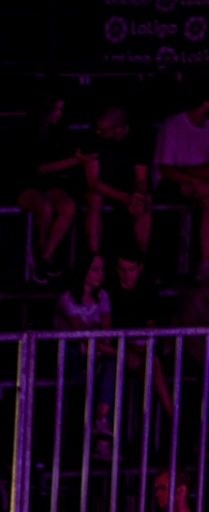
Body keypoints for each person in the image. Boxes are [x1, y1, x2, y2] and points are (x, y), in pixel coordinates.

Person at [11, 92, 86, 280]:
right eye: (56, 109)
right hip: (23, 180)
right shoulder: (25, 130)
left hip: (48, 182)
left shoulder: (57, 131)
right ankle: (39, 252)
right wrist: (75, 160)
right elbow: (39, 168)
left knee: (68, 206)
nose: (59, 114)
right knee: (44, 208)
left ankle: (44, 256)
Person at [55, 253, 116, 459]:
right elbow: (81, 335)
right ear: (84, 271)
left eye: (102, 269)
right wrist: (117, 352)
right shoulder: (66, 299)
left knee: (110, 368)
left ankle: (100, 426)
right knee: (105, 376)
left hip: (97, 353)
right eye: (95, 269)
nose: (101, 274)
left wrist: (103, 350)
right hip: (71, 354)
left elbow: (106, 332)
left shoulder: (103, 296)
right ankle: (100, 433)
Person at [107, 246, 174, 421]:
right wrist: (124, 350)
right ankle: (173, 418)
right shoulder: (109, 293)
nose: (126, 274)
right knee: (152, 363)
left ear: (140, 268)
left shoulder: (147, 292)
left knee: (152, 362)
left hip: (142, 351)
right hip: (114, 352)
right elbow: (106, 331)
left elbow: (150, 329)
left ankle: (170, 418)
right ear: (116, 269)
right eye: (122, 269)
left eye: (131, 269)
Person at [152, 87, 209, 282]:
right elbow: (165, 169)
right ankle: (205, 264)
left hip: (199, 183)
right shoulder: (173, 125)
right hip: (170, 183)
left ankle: (205, 262)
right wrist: (194, 179)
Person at [83, 105, 152, 256]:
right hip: (101, 187)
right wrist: (124, 197)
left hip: (126, 185)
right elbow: (93, 181)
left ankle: (140, 258)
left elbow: (141, 178)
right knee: (95, 198)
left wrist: (138, 195)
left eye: (103, 130)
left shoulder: (138, 139)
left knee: (145, 200)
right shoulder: (93, 138)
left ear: (118, 129)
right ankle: (93, 256)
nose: (98, 132)